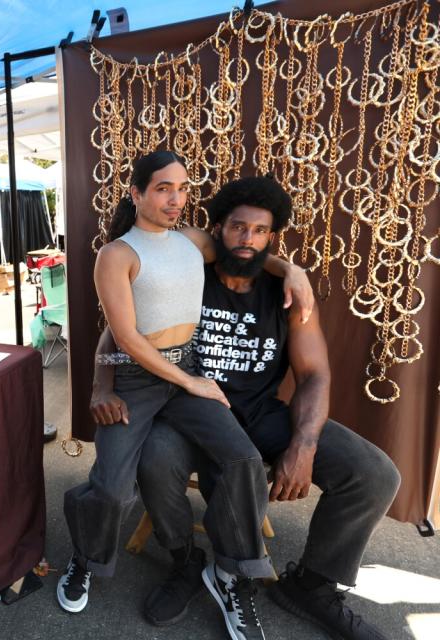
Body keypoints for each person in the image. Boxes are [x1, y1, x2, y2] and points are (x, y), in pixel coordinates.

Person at [91, 176, 400, 640]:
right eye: (237, 228)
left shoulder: (287, 293)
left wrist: (304, 443)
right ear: (218, 229)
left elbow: (314, 374)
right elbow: (120, 331)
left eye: (259, 232)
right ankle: (185, 562)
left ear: (271, 237)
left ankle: (311, 586)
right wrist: (100, 385)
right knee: (155, 460)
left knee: (375, 474)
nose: (247, 240)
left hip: (260, 416)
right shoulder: (186, 269)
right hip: (185, 412)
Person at [58, 152, 313, 640]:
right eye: (162, 188)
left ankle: (229, 573)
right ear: (136, 193)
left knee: (240, 457)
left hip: (188, 368)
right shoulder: (118, 255)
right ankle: (85, 558)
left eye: (182, 188)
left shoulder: (192, 241)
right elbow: (126, 336)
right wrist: (124, 384)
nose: (176, 199)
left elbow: (249, 254)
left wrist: (291, 270)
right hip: (139, 377)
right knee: (112, 486)